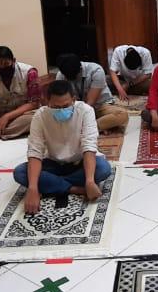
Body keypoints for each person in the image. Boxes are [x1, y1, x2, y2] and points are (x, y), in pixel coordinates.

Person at [14, 80, 112, 214]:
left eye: (65, 106)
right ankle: (74, 188)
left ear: (74, 99)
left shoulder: (85, 111)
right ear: (47, 102)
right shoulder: (40, 115)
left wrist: (89, 180)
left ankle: (54, 185)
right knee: (20, 172)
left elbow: (89, 146)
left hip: (79, 162)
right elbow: (35, 151)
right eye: (55, 107)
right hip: (53, 163)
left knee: (103, 168)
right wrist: (32, 189)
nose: (61, 110)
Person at [55, 53, 128, 133]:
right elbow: (62, 101)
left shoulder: (96, 70)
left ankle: (84, 129)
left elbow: (90, 102)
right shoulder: (61, 75)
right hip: (75, 109)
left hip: (99, 106)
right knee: (54, 117)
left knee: (122, 115)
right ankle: (99, 127)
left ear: (80, 68)